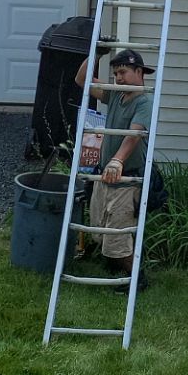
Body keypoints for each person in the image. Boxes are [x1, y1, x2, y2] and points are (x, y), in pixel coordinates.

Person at [74, 46, 154, 277]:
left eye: (124, 72)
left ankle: (137, 279)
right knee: (100, 231)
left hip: (126, 180)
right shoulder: (115, 95)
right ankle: (115, 269)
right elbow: (82, 80)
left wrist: (117, 161)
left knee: (117, 238)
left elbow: (134, 136)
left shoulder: (144, 102)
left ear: (139, 72)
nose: (118, 77)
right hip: (104, 175)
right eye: (116, 73)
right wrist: (96, 54)